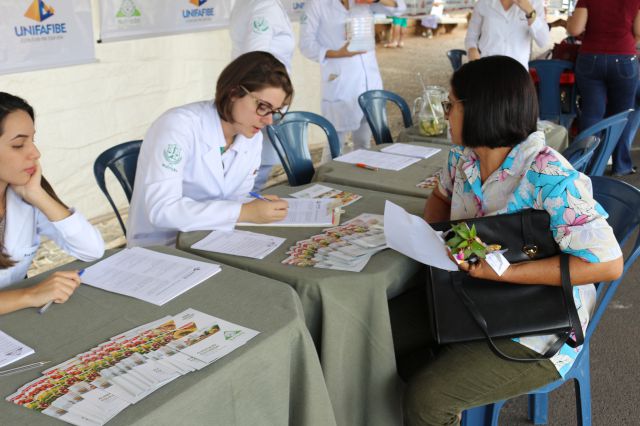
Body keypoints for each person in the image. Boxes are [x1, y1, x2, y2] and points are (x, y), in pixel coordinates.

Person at [402, 56, 623, 426]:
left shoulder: (548, 174)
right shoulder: (463, 158)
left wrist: (504, 272)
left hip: (539, 329)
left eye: (450, 105)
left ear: (481, 109)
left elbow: (607, 263)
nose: (445, 114)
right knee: (382, 336)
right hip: (473, 297)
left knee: (427, 399)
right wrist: (440, 235)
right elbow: (440, 196)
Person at [127, 52, 293, 248]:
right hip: (164, 247)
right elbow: (163, 210)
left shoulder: (250, 134)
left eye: (275, 111)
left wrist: (254, 206)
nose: (268, 121)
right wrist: (245, 212)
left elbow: (237, 197)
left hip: (214, 239)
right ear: (233, 92)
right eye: (263, 107)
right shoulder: (178, 126)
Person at [0, 92, 105, 315]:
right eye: (19, 145)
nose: (35, 153)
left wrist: (39, 195)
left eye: (33, 140)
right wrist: (30, 295)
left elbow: (91, 250)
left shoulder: (23, 193)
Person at [299, 0, 406, 151]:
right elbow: (306, 45)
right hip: (341, 83)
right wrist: (338, 53)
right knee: (334, 147)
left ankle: (360, 166)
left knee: (363, 144)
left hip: (370, 81)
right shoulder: (316, 5)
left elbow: (399, 8)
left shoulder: (364, 2)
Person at [567, 0, 640, 176]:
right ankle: (621, 166)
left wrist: (569, 21)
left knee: (592, 113)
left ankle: (587, 165)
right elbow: (638, 30)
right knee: (622, 115)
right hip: (624, 58)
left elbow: (575, 29)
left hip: (590, 58)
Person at [229, 0, 295, 191]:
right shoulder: (264, 6)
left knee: (254, 162)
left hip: (263, 99)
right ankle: (249, 204)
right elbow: (254, 59)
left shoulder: (253, 4)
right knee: (255, 168)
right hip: (263, 100)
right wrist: (263, 105)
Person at [465, 0, 550, 70]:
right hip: (488, 69)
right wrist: (472, 50)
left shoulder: (534, 3)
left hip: (517, 73)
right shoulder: (483, 3)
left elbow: (543, 41)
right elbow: (471, 37)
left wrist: (530, 11)